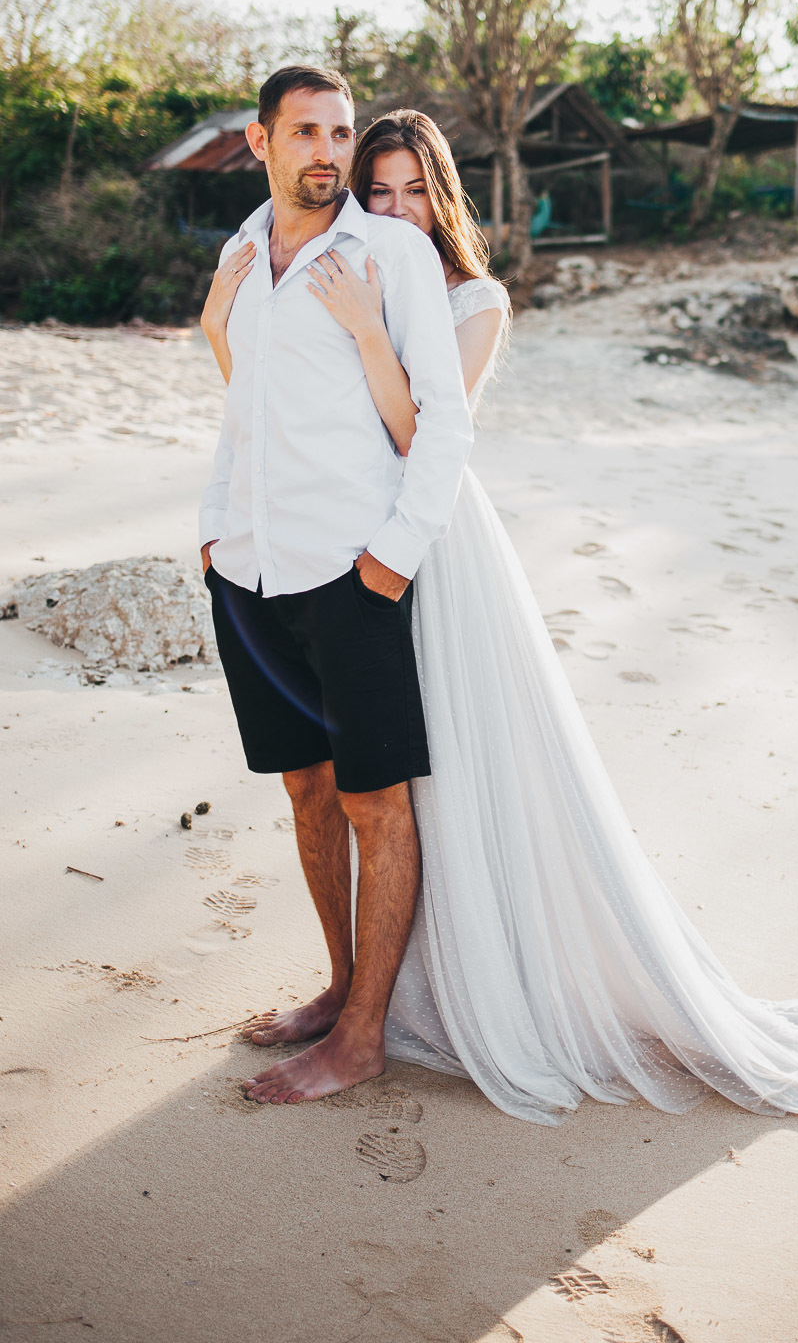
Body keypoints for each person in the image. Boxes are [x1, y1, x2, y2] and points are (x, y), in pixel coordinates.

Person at [207, 105, 798, 1123]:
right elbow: (272, 399)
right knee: (357, 785)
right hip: (326, 543)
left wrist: (361, 335)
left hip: (420, 540)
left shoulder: (460, 294)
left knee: (430, 779)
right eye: (376, 187)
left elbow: (420, 435)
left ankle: (410, 1003)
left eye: (409, 189)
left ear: (442, 195)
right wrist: (229, 329)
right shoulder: (344, 258)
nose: (391, 203)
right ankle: (359, 990)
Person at [196, 68, 473, 1106]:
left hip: (350, 575)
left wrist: (390, 562)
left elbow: (443, 419)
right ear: (260, 140)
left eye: (341, 132)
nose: (327, 150)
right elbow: (246, 411)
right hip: (250, 569)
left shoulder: (392, 253)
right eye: (305, 131)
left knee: (374, 802)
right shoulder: (240, 255)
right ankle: (338, 985)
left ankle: (361, 1039)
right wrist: (213, 532)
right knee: (304, 790)